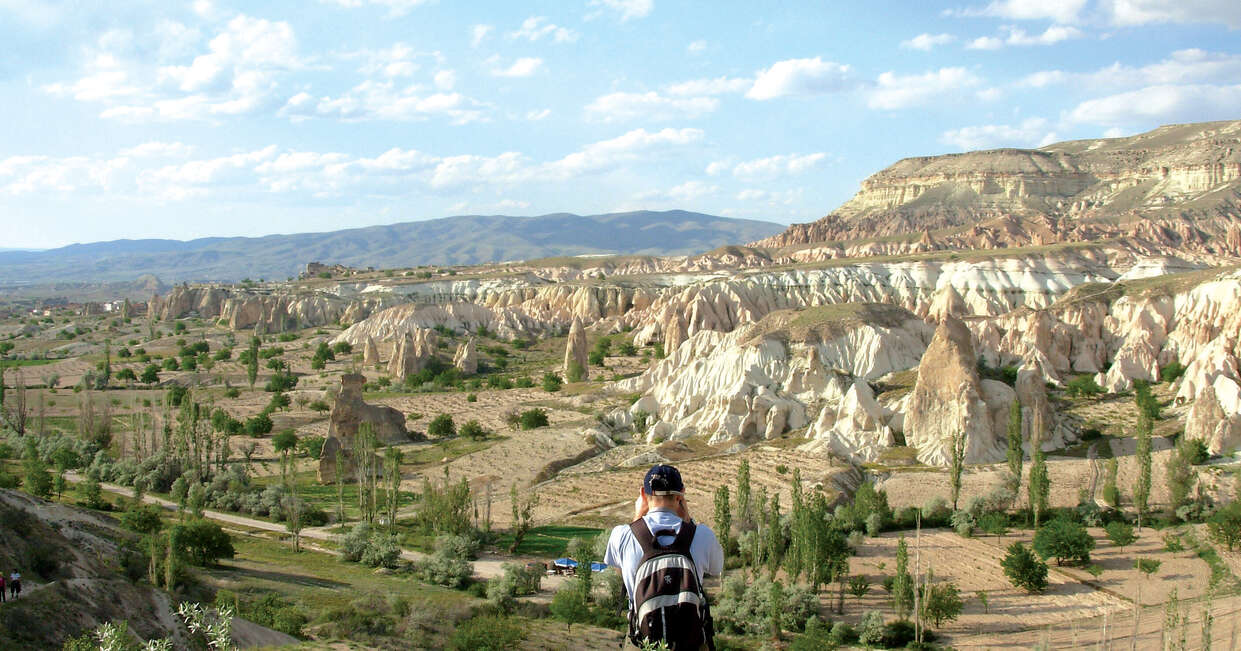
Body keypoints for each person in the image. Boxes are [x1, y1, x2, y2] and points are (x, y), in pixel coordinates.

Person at [604, 464, 724, 650]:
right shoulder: (702, 535)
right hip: (691, 643)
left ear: (643, 493)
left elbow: (621, 571)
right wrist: (688, 520)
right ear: (681, 495)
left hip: (643, 642)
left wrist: (637, 517)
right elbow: (716, 568)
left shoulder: (621, 535)